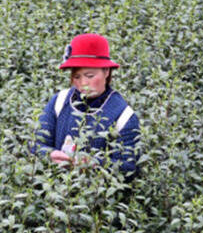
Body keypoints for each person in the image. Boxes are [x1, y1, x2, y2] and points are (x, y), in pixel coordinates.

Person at [32, 33, 140, 180]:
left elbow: (128, 168)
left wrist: (94, 164)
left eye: (90, 76)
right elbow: (36, 145)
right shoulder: (59, 102)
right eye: (77, 77)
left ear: (106, 72)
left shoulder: (124, 116)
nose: (83, 83)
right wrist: (50, 155)